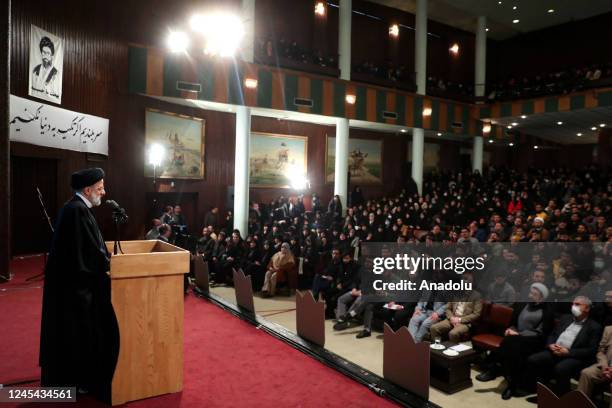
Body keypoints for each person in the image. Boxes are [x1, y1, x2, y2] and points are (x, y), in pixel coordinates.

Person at [39, 168, 119, 401]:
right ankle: (80, 383)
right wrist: (109, 263)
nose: (104, 192)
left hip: (71, 288)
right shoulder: (78, 211)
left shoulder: (75, 208)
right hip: (76, 291)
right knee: (80, 335)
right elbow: (91, 254)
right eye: (100, 187)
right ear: (87, 189)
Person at [476, 283, 554, 400]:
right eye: (530, 292)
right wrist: (510, 329)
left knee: (511, 346)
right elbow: (513, 322)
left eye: (534, 294)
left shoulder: (547, 311)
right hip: (515, 338)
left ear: (542, 297)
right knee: (511, 344)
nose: (530, 295)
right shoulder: (523, 304)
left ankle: (495, 370)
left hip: (533, 341)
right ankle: (509, 383)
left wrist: (519, 334)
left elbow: (541, 332)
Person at [525, 296, 602, 401]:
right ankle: (544, 394)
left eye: (578, 304)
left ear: (587, 309)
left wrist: (568, 352)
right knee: (534, 359)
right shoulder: (566, 318)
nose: (573, 306)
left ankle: (561, 398)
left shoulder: (594, 326)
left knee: (561, 368)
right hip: (555, 350)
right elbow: (553, 334)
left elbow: (591, 350)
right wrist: (551, 345)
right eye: (573, 304)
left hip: (574, 356)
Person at [429, 272, 482, 342]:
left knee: (453, 333)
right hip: (451, 319)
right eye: (462, 279)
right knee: (434, 328)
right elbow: (448, 308)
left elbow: (476, 314)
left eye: (466, 279)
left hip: (464, 322)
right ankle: (438, 348)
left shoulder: (477, 296)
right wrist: (451, 318)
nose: (463, 281)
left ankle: (452, 352)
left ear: (472, 282)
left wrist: (459, 320)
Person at [577, 325, 612, 402]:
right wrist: (604, 366)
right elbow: (601, 351)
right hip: (606, 365)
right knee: (586, 373)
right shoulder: (609, 329)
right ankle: (579, 404)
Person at [30, 36, 61, 101]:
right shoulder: (35, 70)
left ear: (52, 56)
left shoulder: (56, 74)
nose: (45, 56)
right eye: (44, 52)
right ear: (41, 53)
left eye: (48, 53)